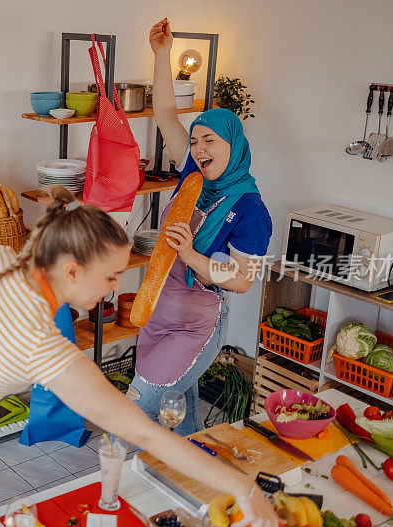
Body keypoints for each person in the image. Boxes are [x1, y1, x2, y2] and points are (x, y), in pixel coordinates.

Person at [0, 189, 279, 527]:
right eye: (109, 277)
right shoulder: (42, 344)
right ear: (71, 271)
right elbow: (145, 432)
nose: (111, 290)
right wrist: (242, 486)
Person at [128, 18, 273, 435]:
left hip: (194, 325)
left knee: (137, 417)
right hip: (157, 312)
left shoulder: (250, 210)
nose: (198, 148)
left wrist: (191, 255)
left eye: (210, 140)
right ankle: (196, 487)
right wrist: (161, 54)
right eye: (195, 141)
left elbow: (243, 280)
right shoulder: (193, 177)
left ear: (234, 144)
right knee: (182, 418)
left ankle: (126, 489)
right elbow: (167, 114)